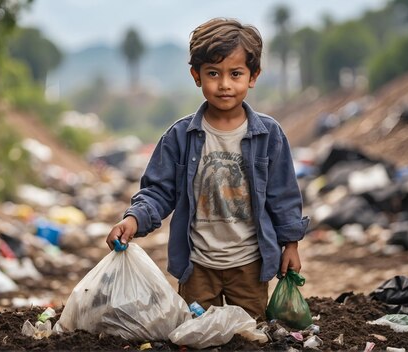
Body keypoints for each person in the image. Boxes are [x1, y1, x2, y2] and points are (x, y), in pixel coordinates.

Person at [106, 17, 309, 320]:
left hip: (250, 264)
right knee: (197, 335)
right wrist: (134, 219)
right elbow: (159, 190)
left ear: (253, 76)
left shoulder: (269, 135)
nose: (224, 84)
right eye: (213, 73)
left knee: (248, 334)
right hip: (197, 265)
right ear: (196, 75)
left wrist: (290, 244)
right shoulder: (180, 136)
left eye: (235, 73)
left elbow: (283, 195)